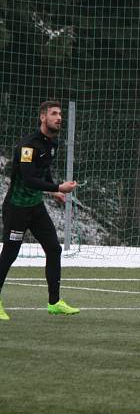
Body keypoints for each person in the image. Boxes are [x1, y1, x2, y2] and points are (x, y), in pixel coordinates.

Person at [0, 100, 79, 320]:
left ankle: (54, 302)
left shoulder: (51, 144)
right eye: (54, 114)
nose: (59, 117)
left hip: (35, 207)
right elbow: (29, 178)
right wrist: (57, 187)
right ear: (42, 117)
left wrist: (54, 191)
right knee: (10, 254)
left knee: (54, 249)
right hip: (16, 208)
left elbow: (42, 172)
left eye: (60, 114)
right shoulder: (29, 145)